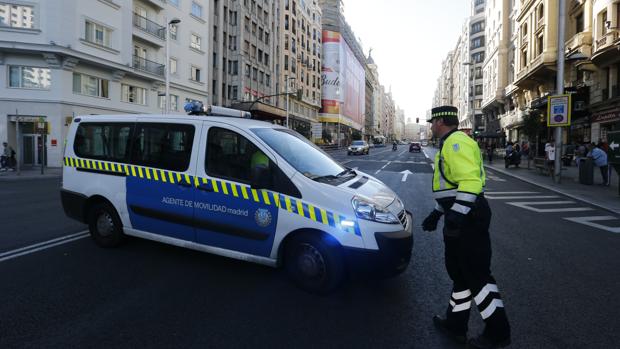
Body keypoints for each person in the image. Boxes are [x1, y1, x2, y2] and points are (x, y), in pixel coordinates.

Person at [422, 106, 511, 349]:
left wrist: (457, 216)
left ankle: (498, 332)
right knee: (461, 275)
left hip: (468, 217)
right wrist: (438, 213)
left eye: (433, 122)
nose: (431, 126)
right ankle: (456, 325)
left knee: (477, 275)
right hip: (462, 213)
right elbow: (453, 186)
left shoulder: (455, 142)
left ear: (440, 121)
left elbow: (470, 182)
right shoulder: (452, 142)